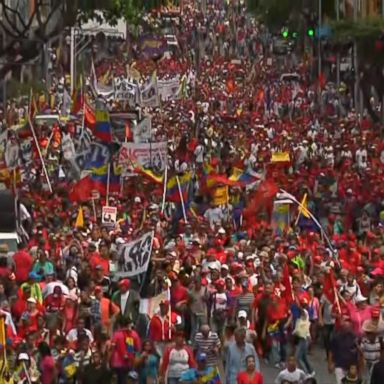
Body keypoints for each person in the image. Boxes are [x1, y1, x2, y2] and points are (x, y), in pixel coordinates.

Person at [328, 316, 361, 384]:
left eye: (348, 327)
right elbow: (331, 351)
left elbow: (359, 352)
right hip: (339, 365)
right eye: (345, 327)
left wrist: (359, 367)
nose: (347, 328)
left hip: (351, 366)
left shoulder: (355, 337)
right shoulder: (336, 337)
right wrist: (330, 363)